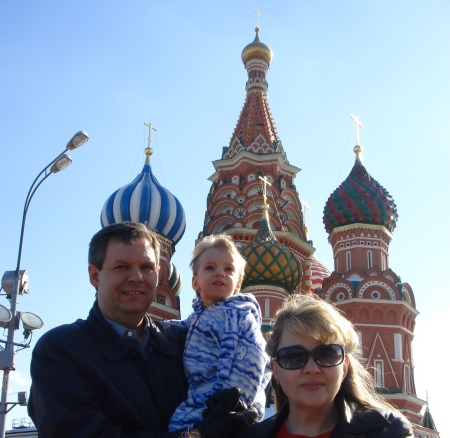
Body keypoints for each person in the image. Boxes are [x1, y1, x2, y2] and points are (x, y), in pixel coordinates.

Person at [28, 222, 258, 438]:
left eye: (146, 267)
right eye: (121, 267)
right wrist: (199, 435)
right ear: (95, 275)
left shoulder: (182, 340)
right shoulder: (62, 350)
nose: (136, 277)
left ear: (158, 275)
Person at [239, 294, 413, 438]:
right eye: (293, 357)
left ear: (344, 367)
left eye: (327, 354)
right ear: (275, 370)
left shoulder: (387, 431)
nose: (312, 369)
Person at [168, 234, 271, 432]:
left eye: (228, 269)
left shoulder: (239, 315)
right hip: (197, 399)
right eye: (210, 268)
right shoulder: (198, 316)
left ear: (238, 284)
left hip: (222, 405)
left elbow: (253, 361)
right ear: (195, 282)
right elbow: (183, 327)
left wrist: (233, 407)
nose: (219, 274)